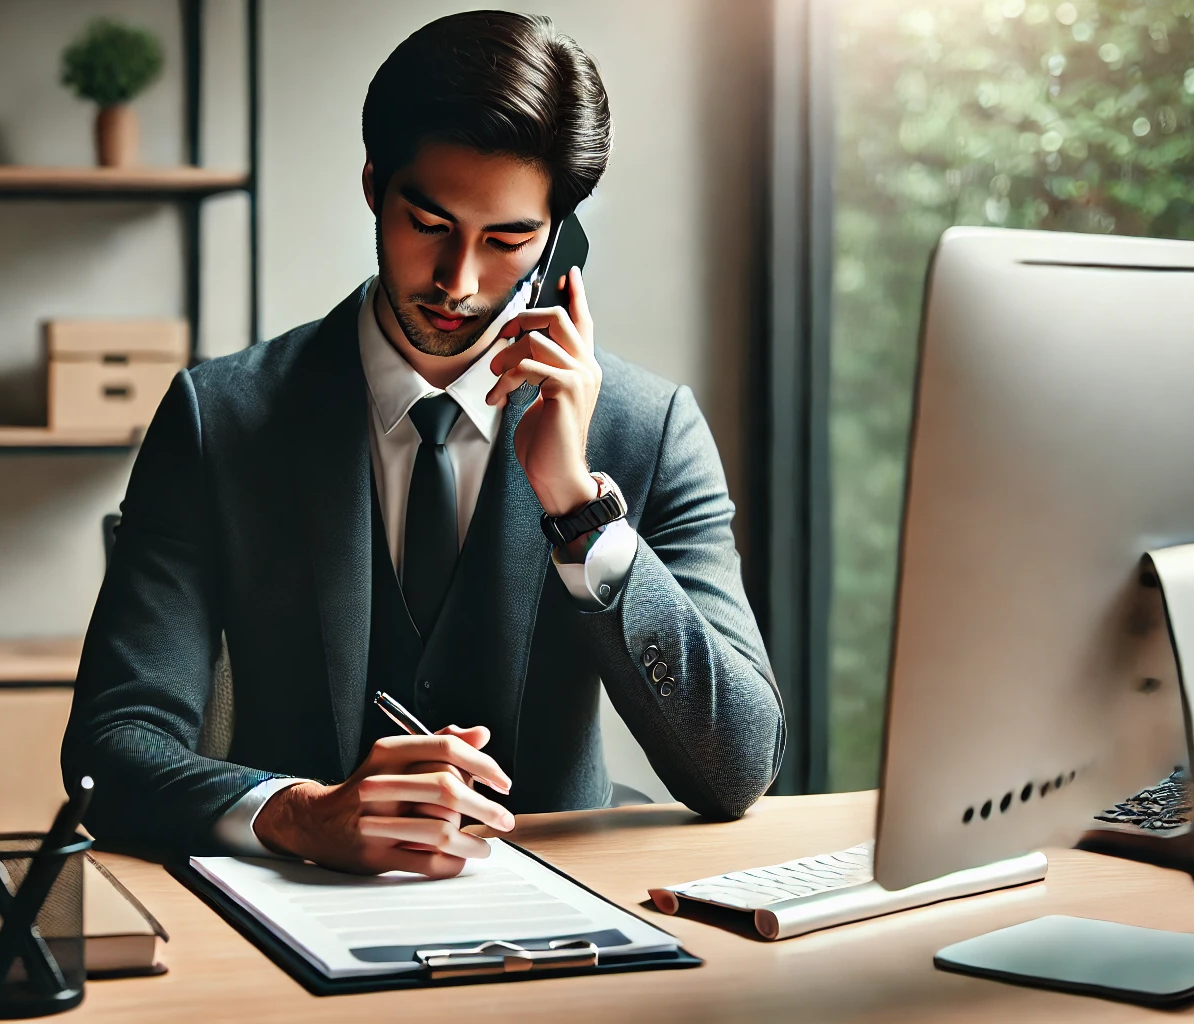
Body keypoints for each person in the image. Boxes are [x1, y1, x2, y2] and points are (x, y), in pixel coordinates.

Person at [62, 10, 783, 878]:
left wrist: (581, 513)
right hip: (294, 913)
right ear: (374, 182)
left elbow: (740, 769)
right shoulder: (220, 419)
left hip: (572, 933)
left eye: (509, 240)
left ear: (560, 242)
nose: (459, 282)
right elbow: (112, 748)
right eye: (430, 223)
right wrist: (297, 814)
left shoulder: (647, 428)